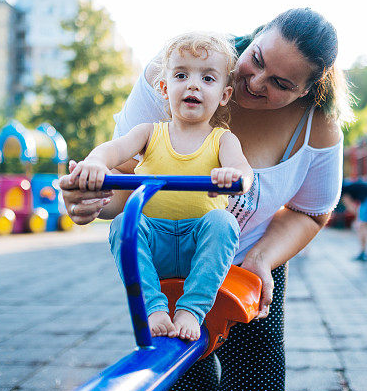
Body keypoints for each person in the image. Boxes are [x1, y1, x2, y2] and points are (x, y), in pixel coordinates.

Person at [60, 8, 350, 391]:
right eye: (258, 59)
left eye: (281, 83)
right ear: (256, 34)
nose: (255, 82)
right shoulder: (182, 72)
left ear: (306, 91)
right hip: (172, 267)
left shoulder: (317, 126)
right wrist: (92, 200)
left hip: (246, 268)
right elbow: (126, 175)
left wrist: (262, 259)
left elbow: (312, 212)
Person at [68, 32, 253, 341]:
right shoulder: (149, 133)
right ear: (165, 89)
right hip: (157, 241)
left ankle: (191, 310)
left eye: (208, 79)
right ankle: (152, 307)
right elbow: (112, 149)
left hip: (199, 244)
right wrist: (94, 163)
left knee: (223, 222)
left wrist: (233, 178)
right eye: (182, 75)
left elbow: (243, 171)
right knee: (123, 224)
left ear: (224, 94)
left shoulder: (222, 139)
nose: (193, 84)